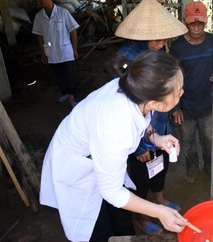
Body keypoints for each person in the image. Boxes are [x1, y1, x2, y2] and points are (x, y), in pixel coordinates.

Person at [39, 50, 188, 242]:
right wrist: (160, 211)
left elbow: (142, 116)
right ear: (155, 102)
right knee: (98, 228)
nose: (182, 93)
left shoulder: (135, 88)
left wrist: (156, 138)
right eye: (178, 92)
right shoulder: (115, 126)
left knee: (121, 218)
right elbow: (111, 191)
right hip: (77, 168)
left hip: (100, 154)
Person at [114, 0, 187, 235]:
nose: (163, 42)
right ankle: (141, 217)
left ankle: (160, 198)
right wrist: (138, 147)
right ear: (142, 35)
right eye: (158, 37)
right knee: (139, 177)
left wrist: (173, 108)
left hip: (158, 125)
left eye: (165, 37)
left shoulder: (157, 48)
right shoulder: (125, 59)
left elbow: (166, 87)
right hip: (137, 135)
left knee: (162, 164)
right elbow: (123, 109)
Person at [170, 1, 213, 184]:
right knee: (188, 142)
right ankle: (192, 169)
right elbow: (172, 77)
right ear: (185, 22)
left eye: (200, 22)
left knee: (209, 140)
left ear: (206, 21)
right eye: (192, 22)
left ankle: (210, 169)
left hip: (208, 103)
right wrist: (175, 106)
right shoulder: (177, 47)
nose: (196, 27)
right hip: (185, 106)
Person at [32, 0, 79, 108]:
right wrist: (43, 53)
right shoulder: (39, 16)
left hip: (66, 51)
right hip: (51, 51)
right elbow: (40, 36)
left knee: (69, 75)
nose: (38, 0)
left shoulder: (63, 12)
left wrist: (74, 49)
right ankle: (64, 93)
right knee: (59, 75)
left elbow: (73, 31)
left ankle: (72, 99)